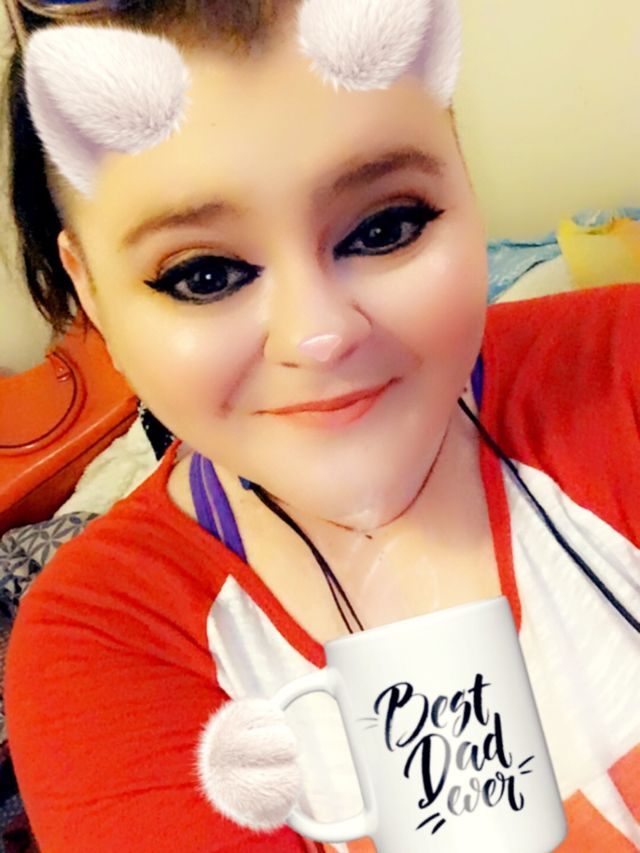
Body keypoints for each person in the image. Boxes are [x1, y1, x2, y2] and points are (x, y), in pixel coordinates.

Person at [2, 0, 639, 850]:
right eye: (203, 274)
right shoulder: (103, 650)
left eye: (386, 226)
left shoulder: (622, 365)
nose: (319, 336)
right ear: (90, 292)